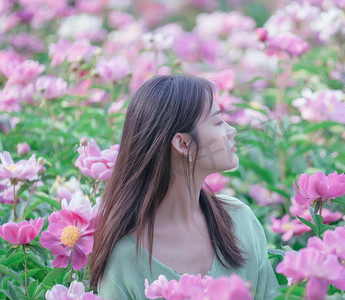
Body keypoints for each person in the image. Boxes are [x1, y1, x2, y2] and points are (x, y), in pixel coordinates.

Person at [90, 75, 280, 299]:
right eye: (218, 122)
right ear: (183, 143)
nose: (232, 131)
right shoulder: (125, 260)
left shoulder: (240, 221)